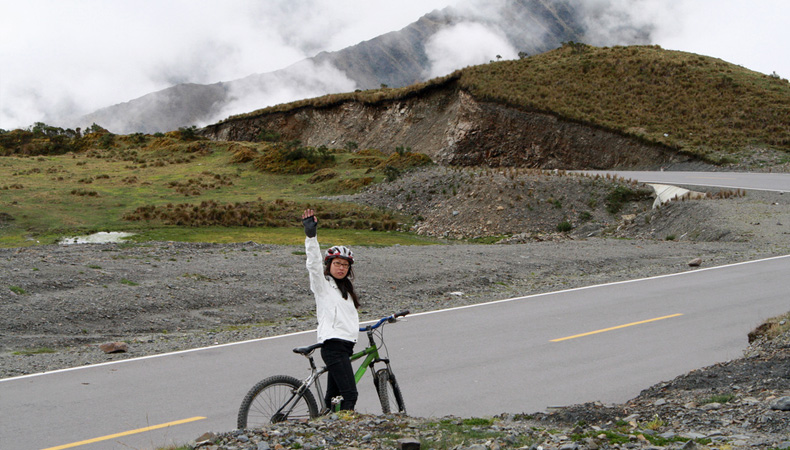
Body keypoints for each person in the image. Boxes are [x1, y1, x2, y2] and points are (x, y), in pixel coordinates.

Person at [301, 208, 360, 411]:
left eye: (345, 265)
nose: (341, 268)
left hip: (345, 346)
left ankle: (324, 427)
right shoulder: (323, 285)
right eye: (337, 264)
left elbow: (344, 318)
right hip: (334, 347)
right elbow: (313, 265)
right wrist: (311, 237)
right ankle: (345, 438)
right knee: (350, 395)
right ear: (329, 265)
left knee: (333, 399)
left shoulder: (347, 292)